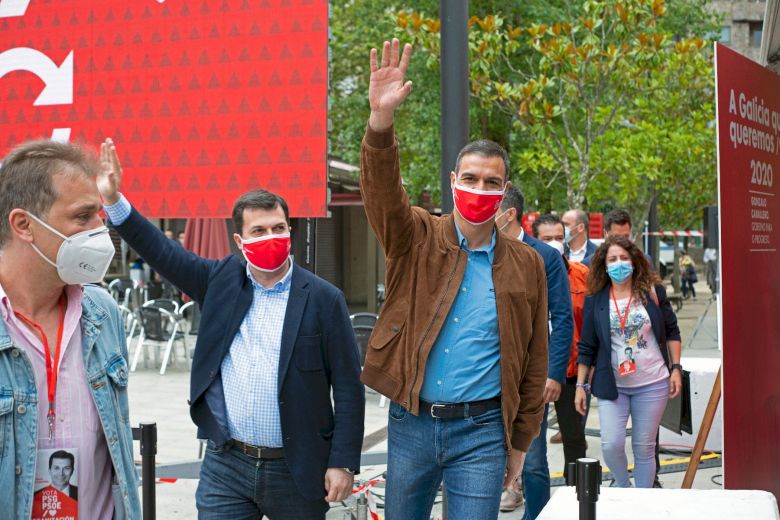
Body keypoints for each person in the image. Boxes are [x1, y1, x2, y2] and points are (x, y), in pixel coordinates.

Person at [99, 140, 365, 518]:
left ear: (290, 231)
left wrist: (343, 462)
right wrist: (113, 200)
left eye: (278, 227)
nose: (270, 236)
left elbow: (350, 387)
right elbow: (161, 250)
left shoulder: (324, 298)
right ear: (240, 241)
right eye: (259, 230)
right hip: (228, 464)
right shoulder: (220, 281)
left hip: (298, 467)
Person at [361, 38, 549, 519]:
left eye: (491, 182)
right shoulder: (416, 236)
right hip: (412, 422)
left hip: (482, 431)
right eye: (470, 178)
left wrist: (520, 443)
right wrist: (381, 121)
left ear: (504, 191)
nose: (479, 189)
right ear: (452, 180)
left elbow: (533, 361)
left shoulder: (526, 264)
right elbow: (383, 195)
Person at [0, 140, 140, 518]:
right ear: (24, 225)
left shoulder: (102, 313)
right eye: (83, 217)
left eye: (99, 216)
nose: (100, 231)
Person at [574, 236, 683, 488]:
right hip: (612, 385)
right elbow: (587, 345)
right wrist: (580, 385)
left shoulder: (652, 292)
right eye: (612, 259)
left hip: (653, 382)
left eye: (624, 258)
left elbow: (672, 331)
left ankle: (641, 500)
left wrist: (676, 368)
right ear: (604, 265)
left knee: (644, 448)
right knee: (610, 445)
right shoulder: (596, 298)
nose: (619, 264)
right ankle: (623, 486)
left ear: (634, 262)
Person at [496, 193, 573, 517]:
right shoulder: (479, 251)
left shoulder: (544, 256)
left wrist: (553, 373)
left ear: (509, 214)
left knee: (533, 460)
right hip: (489, 376)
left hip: (530, 378)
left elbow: (562, 318)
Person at [531, 214, 590, 481]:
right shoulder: (523, 273)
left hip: (570, 371)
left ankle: (576, 494)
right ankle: (525, 491)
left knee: (574, 439)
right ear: (534, 240)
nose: (554, 243)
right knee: (531, 443)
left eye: (558, 237)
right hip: (533, 372)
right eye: (547, 239)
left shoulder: (581, 275)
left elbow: (588, 323)